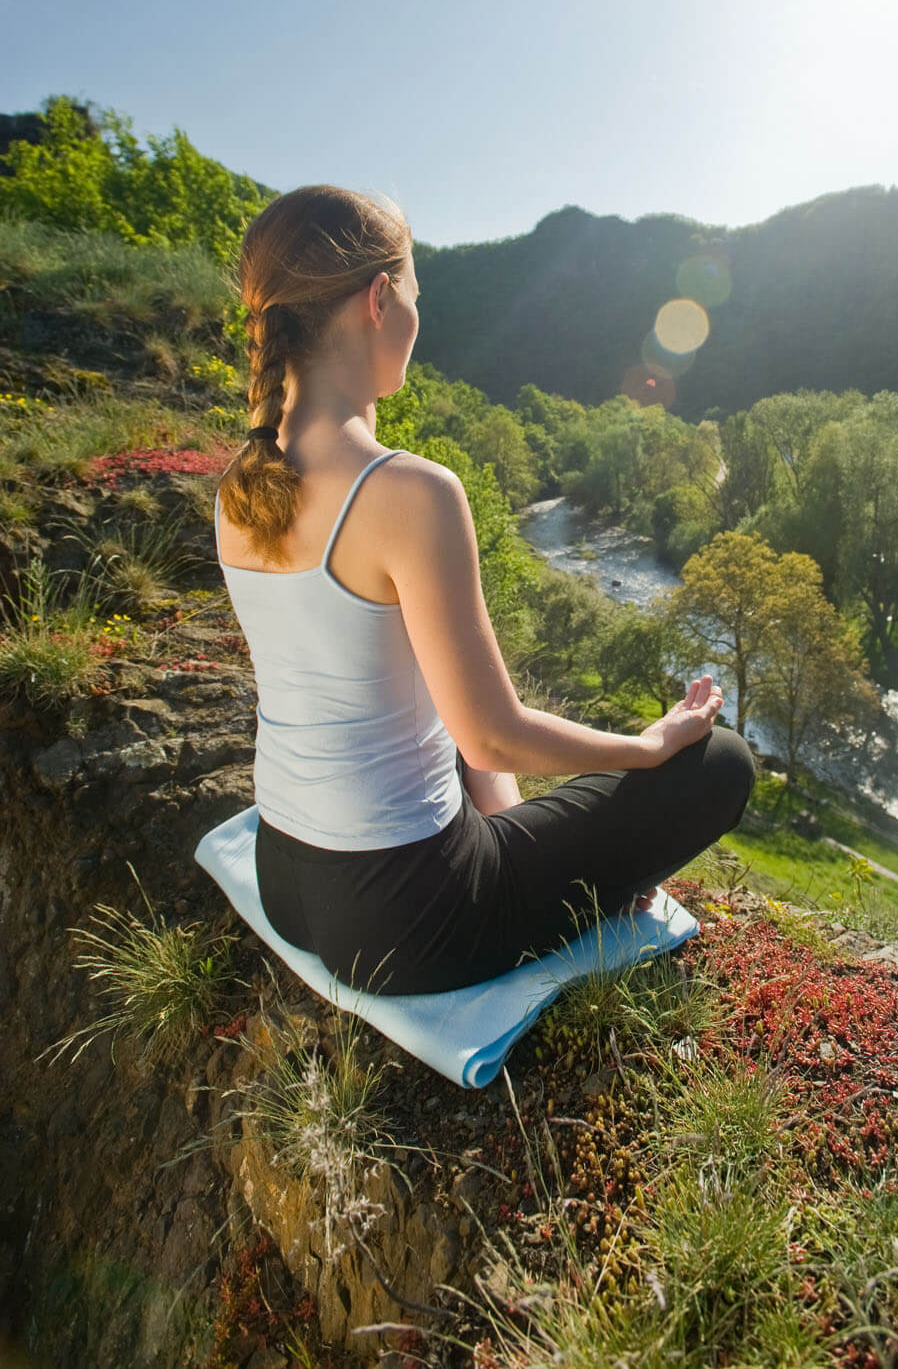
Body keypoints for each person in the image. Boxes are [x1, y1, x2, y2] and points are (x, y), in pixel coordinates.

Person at [213, 184, 754, 995]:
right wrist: (647, 749)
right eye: (415, 298)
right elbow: (491, 738)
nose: (415, 321)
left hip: (289, 879)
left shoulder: (239, 485)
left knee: (511, 816)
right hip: (407, 924)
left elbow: (436, 715)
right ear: (378, 298)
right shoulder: (410, 491)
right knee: (719, 761)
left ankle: (553, 871)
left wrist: (535, 847)